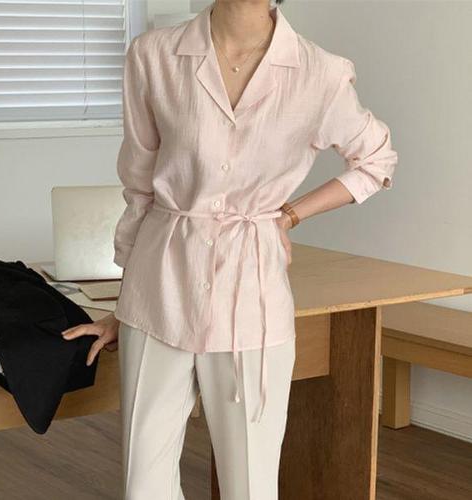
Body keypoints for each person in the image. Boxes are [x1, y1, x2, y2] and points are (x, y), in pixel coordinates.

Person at [61, 0, 398, 498]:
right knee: (143, 487)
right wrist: (123, 306)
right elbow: (140, 189)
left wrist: (290, 215)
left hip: (251, 303)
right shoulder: (153, 55)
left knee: (249, 486)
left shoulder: (319, 73)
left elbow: (376, 160)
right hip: (156, 296)